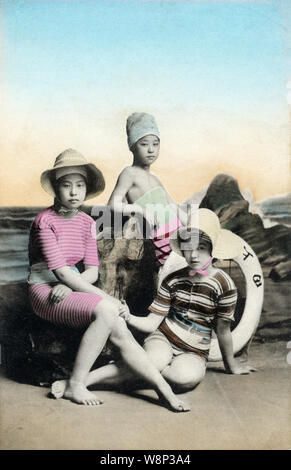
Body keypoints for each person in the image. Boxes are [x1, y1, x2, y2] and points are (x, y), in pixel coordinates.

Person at [27, 148, 189, 411]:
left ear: (86, 188)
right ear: (55, 188)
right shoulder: (44, 221)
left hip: (67, 289)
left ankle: (163, 388)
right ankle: (78, 384)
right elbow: (61, 271)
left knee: (118, 327)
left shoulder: (85, 222)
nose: (73, 192)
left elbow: (91, 270)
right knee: (107, 309)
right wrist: (82, 289)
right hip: (44, 292)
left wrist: (69, 286)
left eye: (79, 185)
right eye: (66, 185)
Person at [80, 209, 257, 395]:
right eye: (188, 247)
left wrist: (232, 365)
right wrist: (129, 316)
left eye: (201, 248)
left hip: (194, 351)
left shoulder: (225, 285)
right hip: (163, 338)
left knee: (184, 379)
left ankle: (134, 369)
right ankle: (83, 380)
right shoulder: (173, 280)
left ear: (213, 249)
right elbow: (152, 322)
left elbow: (222, 329)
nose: (193, 255)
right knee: (154, 361)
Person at [108, 112, 187, 270]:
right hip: (161, 241)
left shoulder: (156, 179)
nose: (151, 149)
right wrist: (140, 210)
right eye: (144, 144)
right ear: (132, 146)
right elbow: (112, 205)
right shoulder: (129, 172)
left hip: (179, 236)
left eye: (155, 144)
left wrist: (194, 227)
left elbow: (174, 208)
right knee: (176, 272)